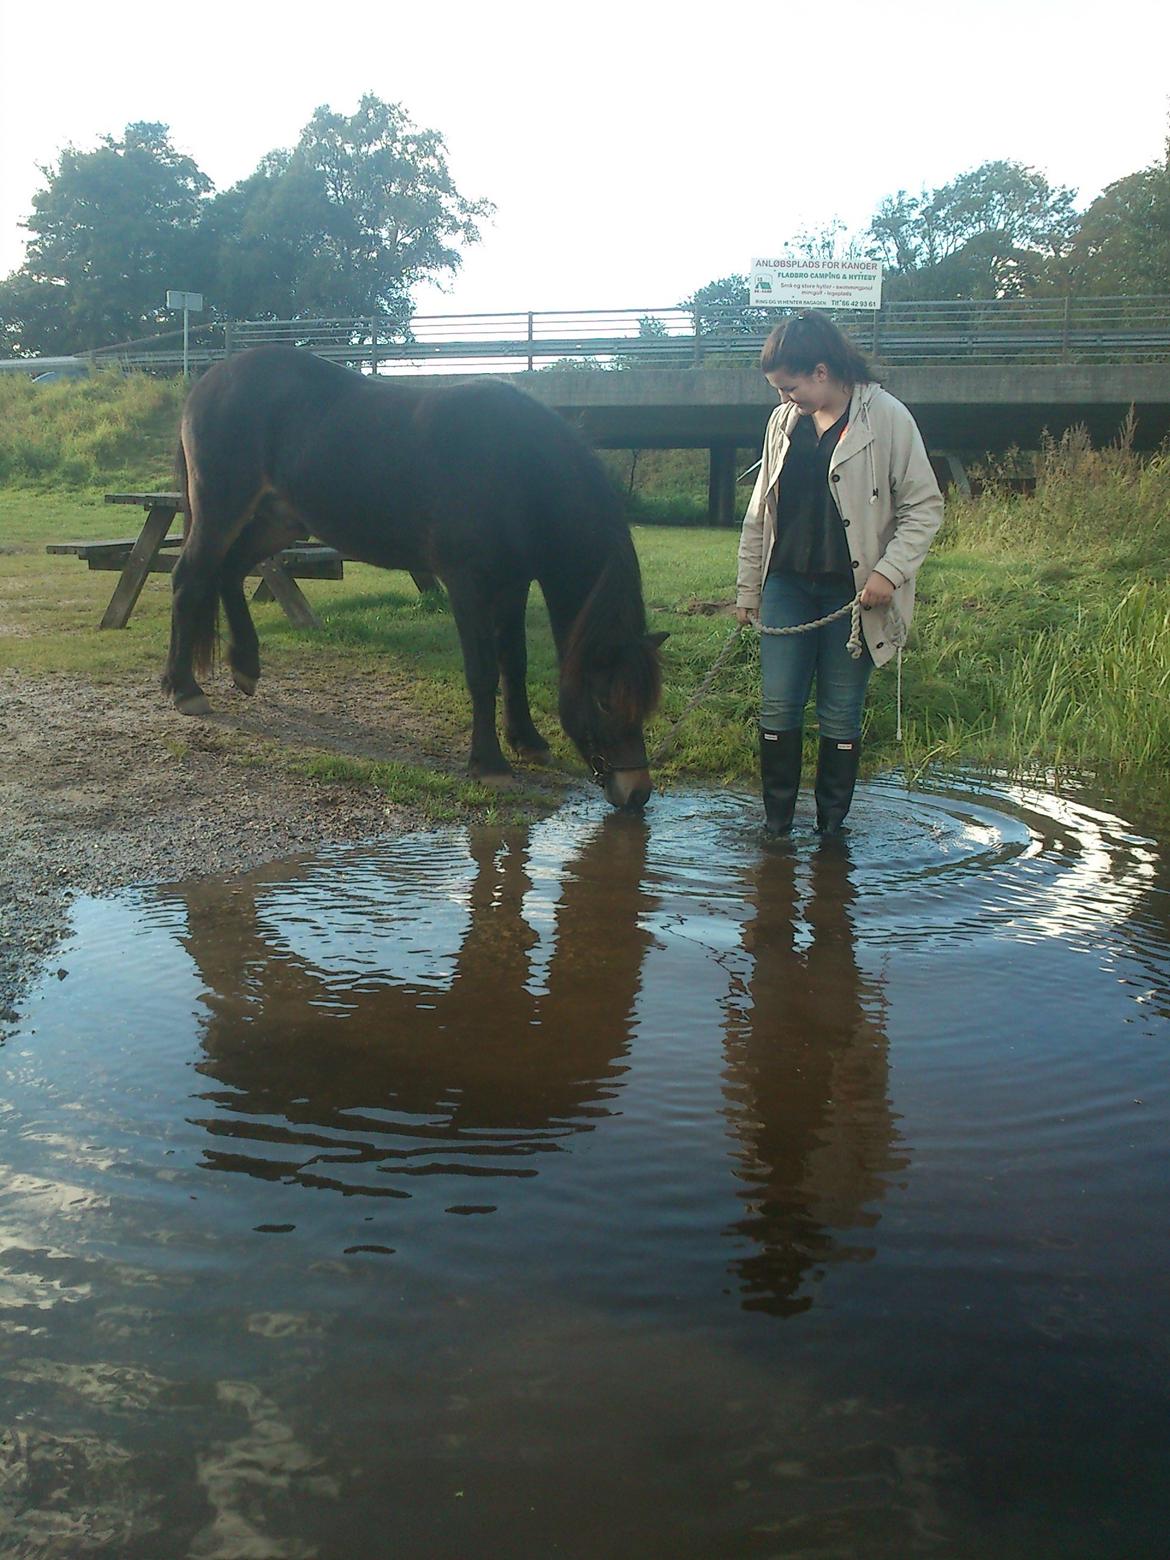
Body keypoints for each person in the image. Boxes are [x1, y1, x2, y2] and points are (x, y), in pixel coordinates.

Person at [735, 311, 943, 835]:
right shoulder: (781, 423)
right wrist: (748, 589)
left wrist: (889, 573)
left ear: (822, 372)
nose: (785, 398)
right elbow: (761, 511)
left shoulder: (888, 418)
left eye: (791, 387)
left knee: (841, 712)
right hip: (786, 585)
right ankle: (776, 829)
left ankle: (831, 833)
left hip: (854, 595)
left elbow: (924, 506)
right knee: (778, 705)